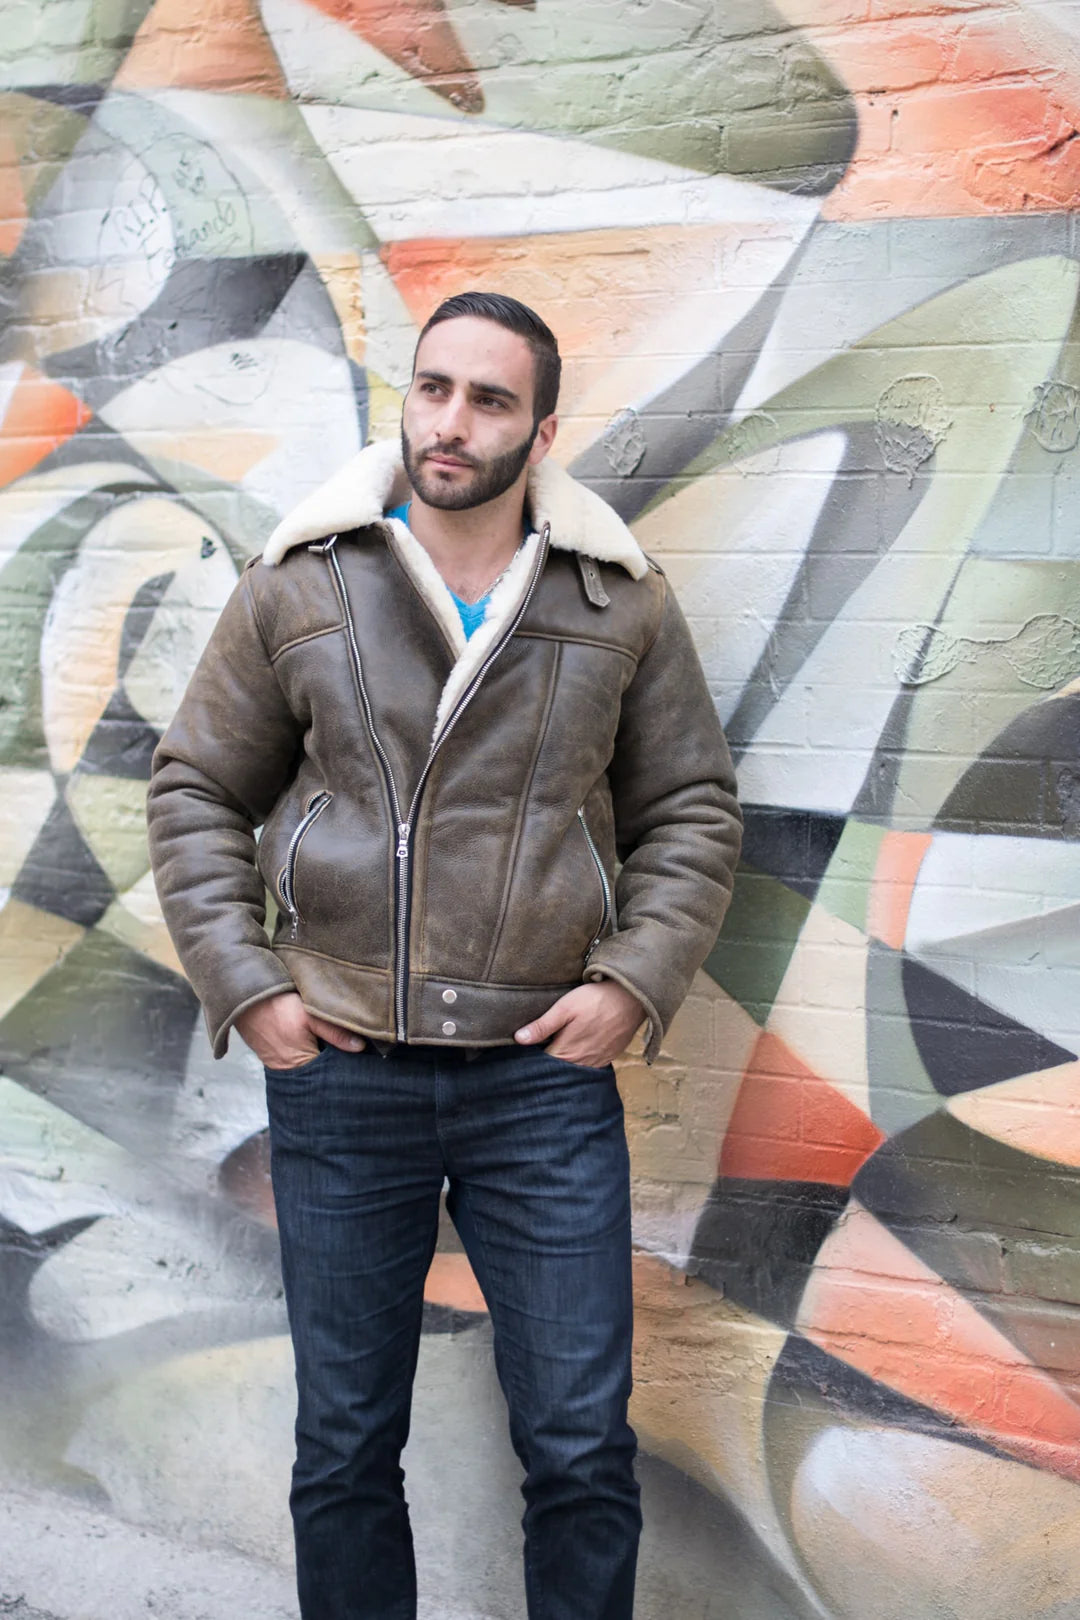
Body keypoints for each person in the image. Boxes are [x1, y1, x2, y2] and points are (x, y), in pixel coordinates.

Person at [146, 290, 742, 1620]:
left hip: (540, 1088)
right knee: (346, 1445)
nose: (449, 423)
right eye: (432, 389)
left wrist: (631, 982)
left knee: (582, 1445)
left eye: (487, 400)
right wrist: (251, 989)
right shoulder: (306, 583)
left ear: (541, 431)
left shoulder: (616, 604)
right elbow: (194, 789)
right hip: (342, 1075)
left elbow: (691, 811)